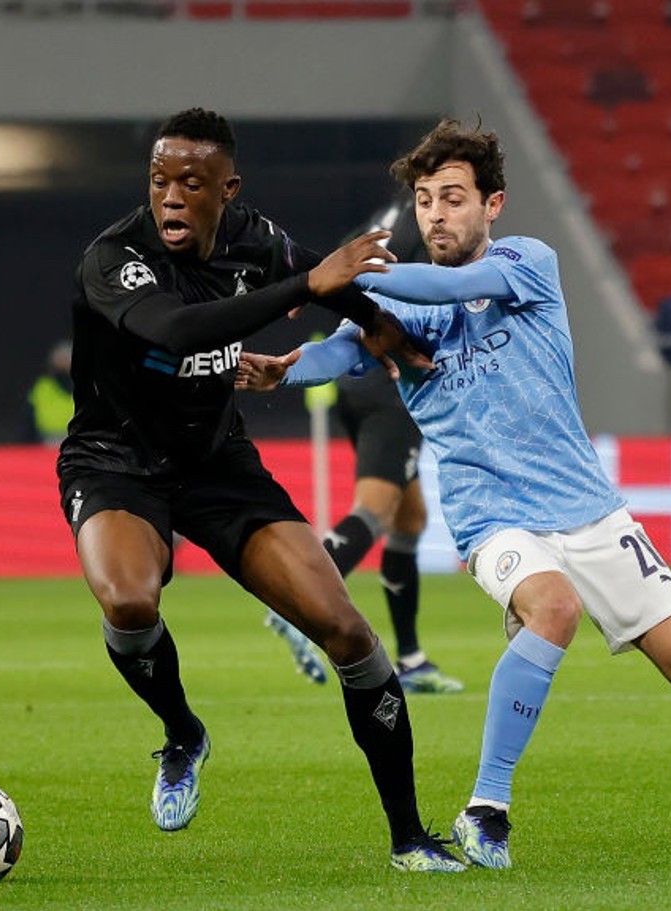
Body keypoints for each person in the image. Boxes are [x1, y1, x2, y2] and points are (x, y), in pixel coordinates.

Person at [239, 118, 671, 866]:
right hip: (493, 518)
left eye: (452, 198)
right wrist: (288, 366)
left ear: (493, 205)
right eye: (423, 200)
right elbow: (342, 348)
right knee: (556, 607)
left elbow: (451, 283)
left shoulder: (525, 262)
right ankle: (486, 808)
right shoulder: (398, 313)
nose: (435, 214)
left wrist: (336, 274)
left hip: (590, 509)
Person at [54, 107, 464, 872]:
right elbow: (176, 331)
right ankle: (183, 734)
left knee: (346, 631)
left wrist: (376, 324)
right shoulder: (114, 259)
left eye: (190, 183)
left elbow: (331, 280)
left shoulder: (255, 239)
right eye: (159, 180)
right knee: (129, 599)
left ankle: (410, 837)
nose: (170, 197)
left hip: (218, 464)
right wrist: (308, 285)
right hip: (115, 461)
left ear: (226, 189)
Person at [263, 367, 466, 694]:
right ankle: (295, 596)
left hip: (358, 384)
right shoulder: (430, 313)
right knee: (375, 508)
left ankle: (412, 661)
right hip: (395, 389)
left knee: (409, 518)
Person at [23, 339, 75, 445]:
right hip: (46, 446)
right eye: (60, 359)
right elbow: (27, 421)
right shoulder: (42, 387)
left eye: (67, 359)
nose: (63, 363)